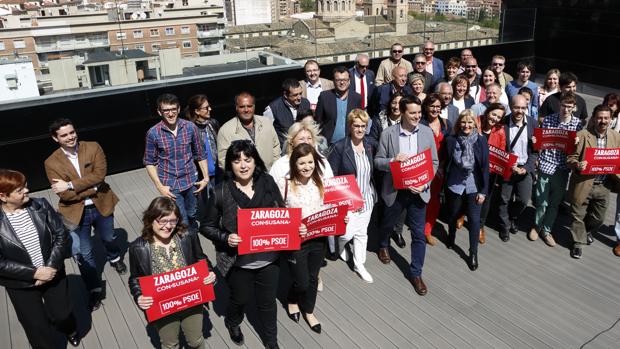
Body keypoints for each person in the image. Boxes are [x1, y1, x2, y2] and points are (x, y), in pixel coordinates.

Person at [202, 140, 284, 349]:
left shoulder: (267, 182)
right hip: (237, 263)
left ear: (255, 161)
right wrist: (225, 238)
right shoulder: (221, 192)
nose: (243, 165)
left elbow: (282, 213)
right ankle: (233, 321)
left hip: (269, 259)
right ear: (230, 165)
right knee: (239, 299)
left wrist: (294, 229)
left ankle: (271, 341)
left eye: (248, 159)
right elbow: (207, 226)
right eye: (237, 161)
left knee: (268, 303)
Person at [44, 118, 125, 312]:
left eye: (72, 132)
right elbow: (63, 194)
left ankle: (114, 257)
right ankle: (94, 289)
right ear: (56, 138)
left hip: (102, 205)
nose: (70, 137)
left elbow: (100, 176)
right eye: (64, 135)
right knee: (84, 252)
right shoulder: (51, 162)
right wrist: (93, 187)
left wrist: (71, 184)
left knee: (108, 237)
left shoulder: (93, 147)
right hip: (75, 212)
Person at [0, 169, 79, 348]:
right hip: (20, 284)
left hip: (53, 273)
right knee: (36, 326)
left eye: (25, 186)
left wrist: (50, 268)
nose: (26, 191)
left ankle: (70, 328)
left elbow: (61, 235)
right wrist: (35, 273)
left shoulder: (40, 205)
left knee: (62, 314)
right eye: (19, 190)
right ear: (3, 196)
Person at [128, 197, 216, 349]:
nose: (168, 226)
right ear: (150, 219)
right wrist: (139, 296)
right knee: (170, 345)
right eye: (162, 221)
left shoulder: (187, 236)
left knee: (196, 341)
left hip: (191, 301)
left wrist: (209, 273)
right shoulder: (138, 247)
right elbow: (135, 279)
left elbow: (202, 261)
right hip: (163, 307)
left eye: (173, 221)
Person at [375, 96, 439, 296]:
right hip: (395, 191)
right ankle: (383, 244)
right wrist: (393, 160)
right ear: (402, 112)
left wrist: (425, 182)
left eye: (419, 113)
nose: (417, 116)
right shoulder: (388, 134)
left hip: (418, 193)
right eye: (412, 113)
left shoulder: (427, 132)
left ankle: (416, 273)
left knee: (418, 235)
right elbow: (378, 161)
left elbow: (434, 162)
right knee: (387, 223)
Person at [278, 143, 334, 334]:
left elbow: (328, 207)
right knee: (301, 281)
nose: (307, 167)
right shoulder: (285, 183)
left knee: (312, 278)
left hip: (318, 238)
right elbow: (277, 213)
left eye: (310, 162)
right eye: (302, 163)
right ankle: (292, 299)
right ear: (294, 163)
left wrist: (340, 217)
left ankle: (309, 311)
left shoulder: (320, 181)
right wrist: (294, 225)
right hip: (296, 241)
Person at [144, 93, 210, 233]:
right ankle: (190, 249)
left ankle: (191, 237)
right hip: (170, 184)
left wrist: (205, 178)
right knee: (182, 220)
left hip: (191, 181)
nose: (170, 113)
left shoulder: (190, 127)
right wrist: (160, 186)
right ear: (159, 112)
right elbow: (149, 162)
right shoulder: (153, 133)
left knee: (192, 214)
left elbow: (200, 153)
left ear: (179, 109)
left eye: (173, 109)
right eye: (166, 110)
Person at [328, 109, 377, 283]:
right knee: (346, 234)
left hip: (367, 198)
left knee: (362, 233)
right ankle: (341, 246)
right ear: (350, 126)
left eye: (363, 126)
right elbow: (332, 176)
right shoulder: (340, 147)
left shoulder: (370, 145)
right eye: (356, 125)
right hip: (347, 201)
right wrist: (342, 201)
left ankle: (359, 264)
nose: (360, 129)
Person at [566, 105, 620, 259]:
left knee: (599, 218)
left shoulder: (617, 137)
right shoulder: (582, 135)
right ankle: (578, 244)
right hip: (583, 183)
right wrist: (577, 165)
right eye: (599, 118)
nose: (602, 121)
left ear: (611, 119)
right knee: (577, 216)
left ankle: (586, 231)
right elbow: (570, 158)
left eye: (606, 118)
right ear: (594, 118)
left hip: (604, 185)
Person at [529, 93, 582, 247]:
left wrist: (577, 143)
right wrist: (536, 142)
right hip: (546, 164)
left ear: (574, 108)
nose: (566, 109)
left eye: (569, 107)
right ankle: (537, 226)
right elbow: (540, 142)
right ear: (560, 104)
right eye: (564, 105)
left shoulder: (577, 124)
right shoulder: (549, 119)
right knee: (541, 202)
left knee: (554, 203)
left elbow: (578, 150)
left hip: (562, 168)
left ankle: (546, 230)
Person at [444, 110, 489, 271]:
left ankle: (473, 253)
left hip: (474, 186)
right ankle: (451, 235)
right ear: (458, 123)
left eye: (470, 122)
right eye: (463, 122)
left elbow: (485, 167)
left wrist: (483, 191)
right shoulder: (451, 140)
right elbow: (446, 162)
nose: (466, 125)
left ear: (475, 124)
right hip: (455, 184)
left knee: (475, 219)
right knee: (453, 213)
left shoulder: (481, 140)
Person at [497, 95, 537, 242]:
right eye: (516, 107)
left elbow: (535, 151)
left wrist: (526, 168)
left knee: (523, 200)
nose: (519, 111)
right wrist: (508, 164)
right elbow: (498, 147)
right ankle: (505, 226)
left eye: (522, 108)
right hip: (507, 166)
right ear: (511, 107)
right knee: (503, 199)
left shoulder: (533, 124)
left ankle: (512, 217)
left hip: (524, 167)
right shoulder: (503, 123)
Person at [217, 92, 281, 170]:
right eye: (242, 107)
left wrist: (275, 169)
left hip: (269, 175)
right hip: (243, 180)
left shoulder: (266, 123)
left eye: (249, 106)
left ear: (254, 107)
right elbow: (223, 161)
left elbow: (276, 147)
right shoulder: (225, 131)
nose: (246, 110)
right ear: (236, 108)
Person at [421, 94, 451, 246]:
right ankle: (419, 227)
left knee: (434, 200)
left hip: (441, 168)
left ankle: (427, 229)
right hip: (424, 167)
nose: (435, 109)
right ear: (426, 107)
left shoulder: (446, 124)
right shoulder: (420, 124)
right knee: (422, 199)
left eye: (438, 106)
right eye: (432, 106)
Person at [185, 94, 220, 223]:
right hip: (201, 173)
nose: (210, 109)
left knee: (218, 197)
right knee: (203, 201)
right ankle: (207, 222)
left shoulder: (213, 123)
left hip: (217, 169)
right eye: (206, 108)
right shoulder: (189, 128)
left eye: (209, 106)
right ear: (197, 111)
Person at [477, 103, 507, 244]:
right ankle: (462, 214)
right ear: (488, 112)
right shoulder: (477, 121)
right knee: (469, 194)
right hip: (472, 167)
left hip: (489, 171)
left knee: (486, 198)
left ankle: (480, 226)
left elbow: (501, 151)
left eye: (498, 117)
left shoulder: (500, 130)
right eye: (493, 114)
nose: (494, 118)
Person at [315, 66, 362, 144]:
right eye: (338, 80)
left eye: (345, 80)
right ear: (333, 81)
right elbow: (318, 121)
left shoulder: (356, 98)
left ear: (349, 81)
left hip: (350, 143)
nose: (342, 82)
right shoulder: (324, 97)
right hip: (329, 144)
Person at [264, 79, 311, 147]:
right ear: (285, 95)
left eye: (300, 93)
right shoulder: (273, 109)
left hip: (304, 147)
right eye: (295, 95)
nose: (299, 97)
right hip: (284, 149)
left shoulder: (306, 103)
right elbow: (266, 133)